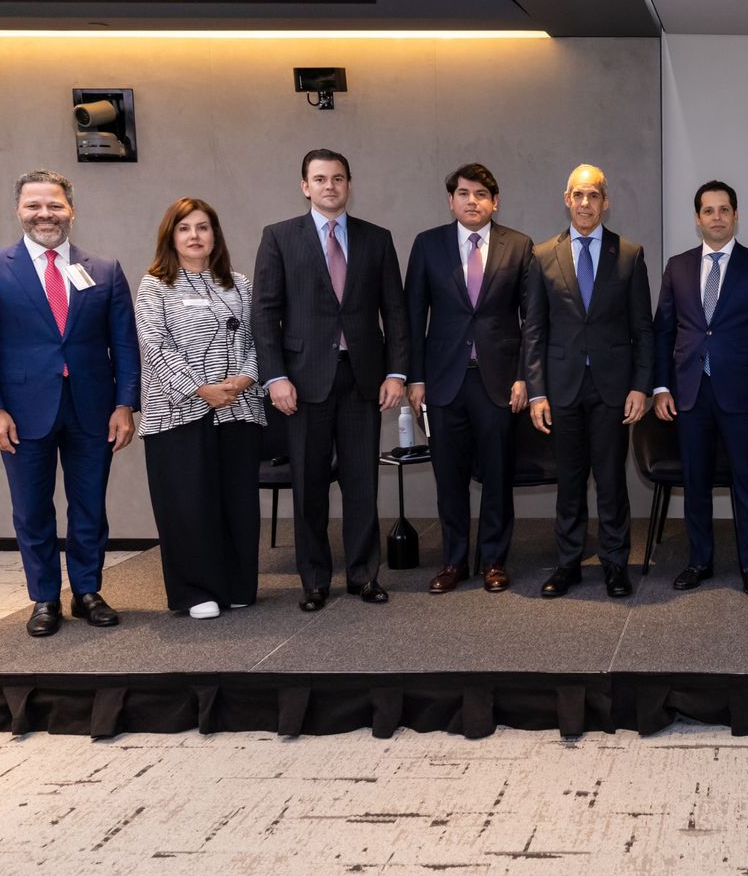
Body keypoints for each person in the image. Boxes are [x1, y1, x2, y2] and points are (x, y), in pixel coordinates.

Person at [0, 169, 138, 637]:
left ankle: (87, 591)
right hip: (19, 413)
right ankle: (44, 598)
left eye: (54, 205)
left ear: (71, 209)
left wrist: (124, 404)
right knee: (32, 510)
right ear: (18, 210)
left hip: (93, 409)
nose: (45, 214)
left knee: (89, 506)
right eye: (34, 205)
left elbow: (124, 343)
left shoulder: (105, 269)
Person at [252, 149, 409, 612]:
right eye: (320, 179)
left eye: (338, 178)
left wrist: (396, 372)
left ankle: (364, 576)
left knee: (362, 483)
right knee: (309, 486)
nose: (329, 186)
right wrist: (275, 377)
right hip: (302, 384)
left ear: (349, 184)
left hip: (363, 379)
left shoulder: (377, 239)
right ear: (305, 186)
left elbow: (395, 312)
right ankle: (315, 580)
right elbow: (265, 313)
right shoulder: (279, 237)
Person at [653, 180, 748, 597]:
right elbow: (664, 331)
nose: (716, 217)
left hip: (744, 396)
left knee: (747, 480)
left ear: (735, 215)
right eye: (708, 210)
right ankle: (699, 561)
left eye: (724, 209)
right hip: (690, 393)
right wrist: (661, 387)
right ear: (698, 218)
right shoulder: (677, 266)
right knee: (695, 482)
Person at [524, 164, 653, 599]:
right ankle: (568, 564)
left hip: (613, 388)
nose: (585, 203)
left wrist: (640, 386)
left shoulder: (629, 254)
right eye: (578, 195)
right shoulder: (543, 255)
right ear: (567, 199)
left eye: (593, 195)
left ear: (605, 202)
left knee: (612, 480)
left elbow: (643, 329)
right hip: (561, 387)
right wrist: (537, 392)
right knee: (570, 481)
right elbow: (534, 330)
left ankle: (615, 564)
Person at [406, 163, 534, 595]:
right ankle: (454, 561)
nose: (472, 201)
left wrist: (524, 377)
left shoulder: (519, 245)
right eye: (463, 193)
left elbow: (532, 320)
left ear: (495, 202)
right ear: (451, 200)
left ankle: (494, 560)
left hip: (498, 381)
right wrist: (415, 378)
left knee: (497, 476)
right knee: (450, 478)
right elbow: (413, 317)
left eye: (481, 194)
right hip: (443, 382)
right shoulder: (428, 245)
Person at [134, 198, 265, 619]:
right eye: (185, 228)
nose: (195, 236)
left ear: (215, 235)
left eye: (203, 227)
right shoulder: (155, 285)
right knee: (188, 504)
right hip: (178, 412)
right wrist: (199, 389)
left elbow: (259, 338)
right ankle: (195, 592)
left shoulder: (239, 284)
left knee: (237, 502)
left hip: (238, 408)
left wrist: (245, 378)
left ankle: (238, 584)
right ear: (170, 236)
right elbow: (155, 345)